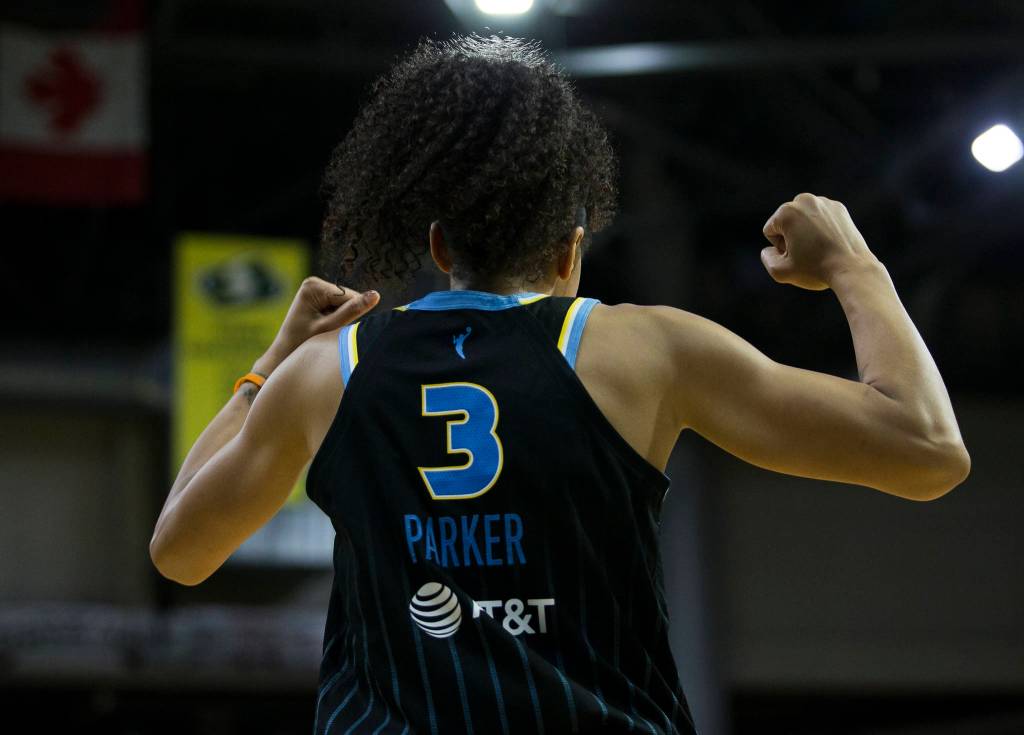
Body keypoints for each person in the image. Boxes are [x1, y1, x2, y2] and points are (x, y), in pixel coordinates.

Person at [150, 34, 970, 735]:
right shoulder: (644, 352)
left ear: (437, 244)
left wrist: (271, 363)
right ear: (570, 252)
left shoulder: (330, 371)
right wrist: (855, 266)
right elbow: (927, 450)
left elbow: (180, 551)